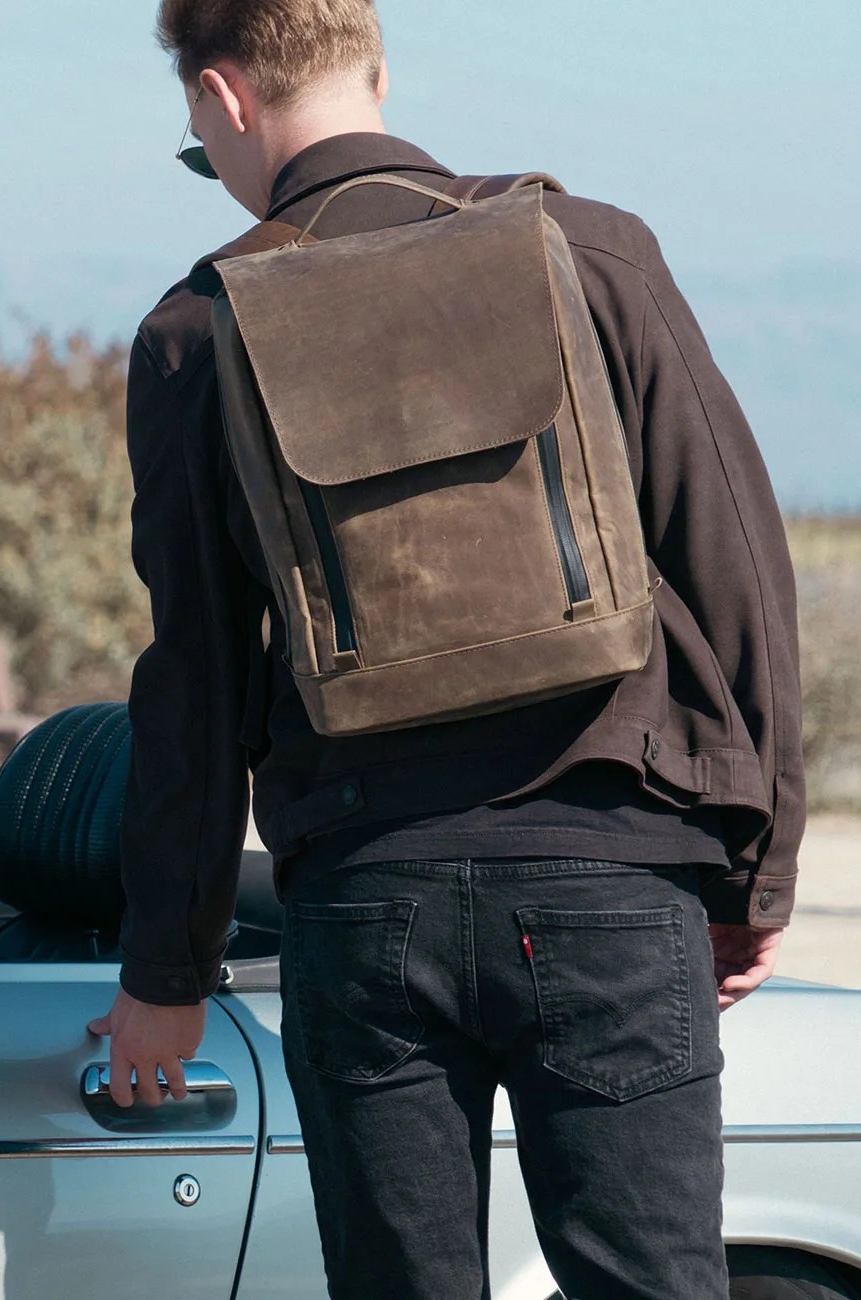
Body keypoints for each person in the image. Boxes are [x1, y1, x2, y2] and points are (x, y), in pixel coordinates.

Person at [87, 2, 803, 1296]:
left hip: (367, 900)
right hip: (611, 876)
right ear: (376, 69)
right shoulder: (591, 254)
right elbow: (738, 568)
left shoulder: (197, 331)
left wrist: (167, 972)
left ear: (224, 95)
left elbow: (193, 683)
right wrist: (758, 869)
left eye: (198, 136)